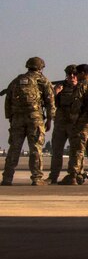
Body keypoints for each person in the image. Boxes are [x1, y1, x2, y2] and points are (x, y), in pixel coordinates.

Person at [3, 57, 56, 186]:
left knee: (14, 148)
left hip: (17, 119)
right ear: (41, 67)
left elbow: (8, 100)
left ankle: (7, 178)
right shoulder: (42, 80)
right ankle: (37, 178)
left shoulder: (16, 81)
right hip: (35, 119)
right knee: (36, 149)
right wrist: (50, 119)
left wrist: (10, 117)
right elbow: (50, 102)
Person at [47, 65, 79, 184]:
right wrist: (55, 93)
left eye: (74, 74)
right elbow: (50, 104)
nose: (71, 76)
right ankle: (53, 176)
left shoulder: (83, 88)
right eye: (69, 74)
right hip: (60, 123)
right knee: (56, 151)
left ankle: (74, 175)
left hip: (75, 124)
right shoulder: (60, 87)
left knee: (76, 151)